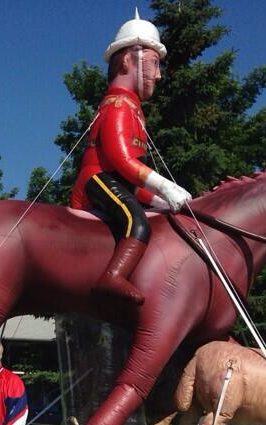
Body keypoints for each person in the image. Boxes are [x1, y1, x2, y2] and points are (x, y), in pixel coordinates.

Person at [70, 9, 191, 308]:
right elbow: (122, 162)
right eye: (154, 64)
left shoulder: (134, 109)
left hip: (115, 181)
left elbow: (129, 176)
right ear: (128, 60)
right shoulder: (119, 105)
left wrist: (160, 201)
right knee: (138, 222)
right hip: (96, 181)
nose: (159, 75)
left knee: (158, 213)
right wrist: (167, 188)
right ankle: (112, 276)